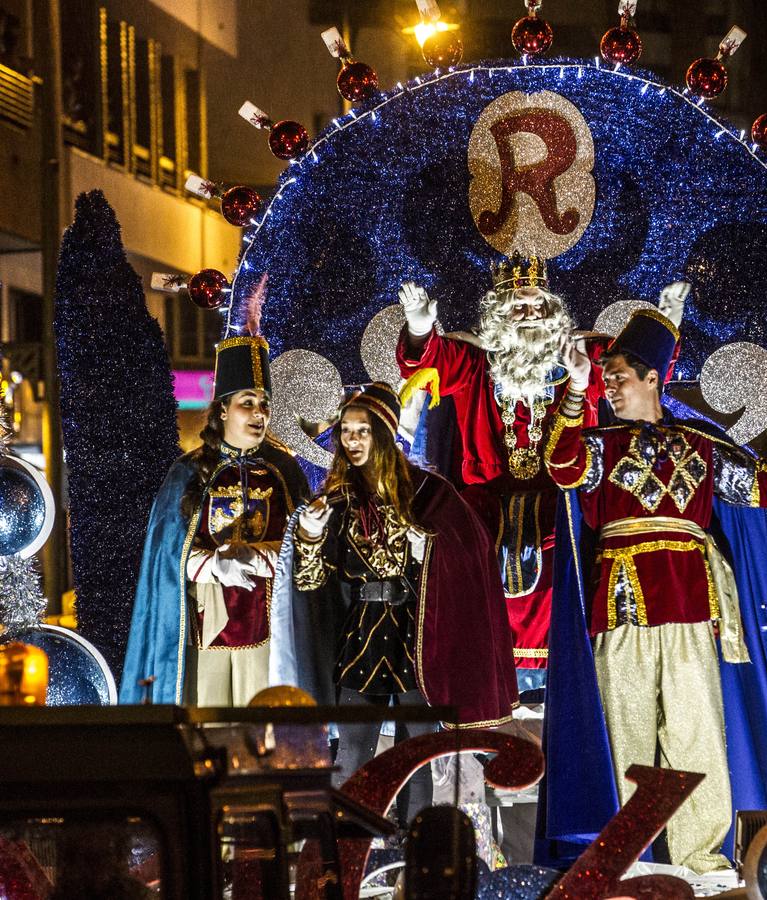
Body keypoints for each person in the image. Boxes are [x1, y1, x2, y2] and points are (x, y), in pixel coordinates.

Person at [541, 307, 767, 873]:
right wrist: (574, 392)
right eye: (604, 377)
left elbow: (758, 488)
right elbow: (560, 467)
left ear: (652, 379)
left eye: (618, 376)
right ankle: (624, 858)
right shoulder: (596, 444)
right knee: (626, 736)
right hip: (621, 605)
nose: (609, 387)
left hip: (690, 605)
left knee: (696, 735)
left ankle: (701, 861)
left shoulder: (700, 445)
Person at [396, 257, 688, 687]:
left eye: (538, 306)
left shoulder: (581, 356)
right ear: (499, 314)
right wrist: (420, 326)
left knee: (566, 597)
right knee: (483, 601)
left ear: (553, 311)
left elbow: (636, 366)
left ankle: (569, 684)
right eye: (518, 307)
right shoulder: (478, 363)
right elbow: (429, 362)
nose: (530, 314)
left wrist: (664, 321)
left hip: (564, 508)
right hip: (488, 511)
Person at [289, 383, 517, 827]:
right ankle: (349, 845)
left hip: (416, 632)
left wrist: (426, 549)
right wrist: (311, 538)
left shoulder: (430, 493)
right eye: (346, 432)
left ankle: (416, 847)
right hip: (361, 636)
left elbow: (471, 552)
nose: (351, 441)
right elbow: (310, 581)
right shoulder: (336, 499)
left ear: (384, 432)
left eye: (362, 431)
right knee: (354, 748)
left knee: (417, 750)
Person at [121, 330, 309, 705]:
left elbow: (309, 549)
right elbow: (164, 556)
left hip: (270, 635)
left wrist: (259, 557)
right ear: (223, 408)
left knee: (263, 738)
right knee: (209, 736)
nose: (259, 413)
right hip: (204, 634)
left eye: (264, 403)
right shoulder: (187, 473)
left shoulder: (285, 470)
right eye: (248, 402)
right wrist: (213, 565)